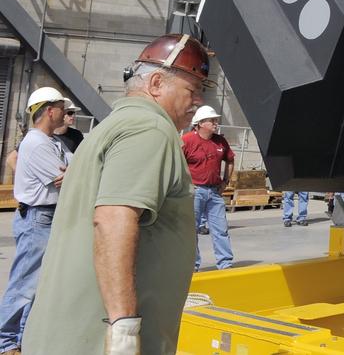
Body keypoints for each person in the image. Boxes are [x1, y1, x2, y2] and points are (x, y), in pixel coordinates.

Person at [23, 33, 212, 355]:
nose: (197, 101)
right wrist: (123, 328)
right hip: (98, 343)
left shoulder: (113, 126)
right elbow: (112, 220)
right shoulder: (149, 129)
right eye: (192, 90)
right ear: (156, 83)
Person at [0, 87, 73, 354]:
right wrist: (72, 174)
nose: (66, 114)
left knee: (37, 284)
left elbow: (76, 168)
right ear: (50, 111)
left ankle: (21, 338)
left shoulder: (54, 142)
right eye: (63, 109)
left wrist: (72, 173)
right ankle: (5, 342)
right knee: (24, 284)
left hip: (48, 217)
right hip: (38, 218)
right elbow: (68, 177)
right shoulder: (37, 143)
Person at [183, 105, 235, 271]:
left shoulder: (220, 141)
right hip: (195, 192)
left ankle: (225, 264)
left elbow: (230, 160)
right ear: (200, 123)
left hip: (214, 192)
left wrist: (225, 181)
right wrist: (185, 185)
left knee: (221, 229)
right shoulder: (187, 141)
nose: (215, 123)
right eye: (212, 120)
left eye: (215, 120)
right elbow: (176, 163)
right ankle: (193, 266)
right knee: (191, 231)